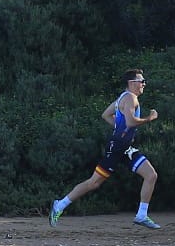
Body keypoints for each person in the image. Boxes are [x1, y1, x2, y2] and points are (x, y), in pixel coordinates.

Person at [50, 69, 161, 229]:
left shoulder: (122, 98)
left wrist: (119, 129)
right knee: (93, 183)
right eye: (141, 81)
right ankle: (59, 205)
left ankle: (141, 215)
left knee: (151, 175)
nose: (144, 84)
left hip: (125, 148)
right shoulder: (130, 97)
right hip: (116, 148)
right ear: (131, 83)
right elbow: (130, 122)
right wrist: (149, 118)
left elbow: (106, 115)